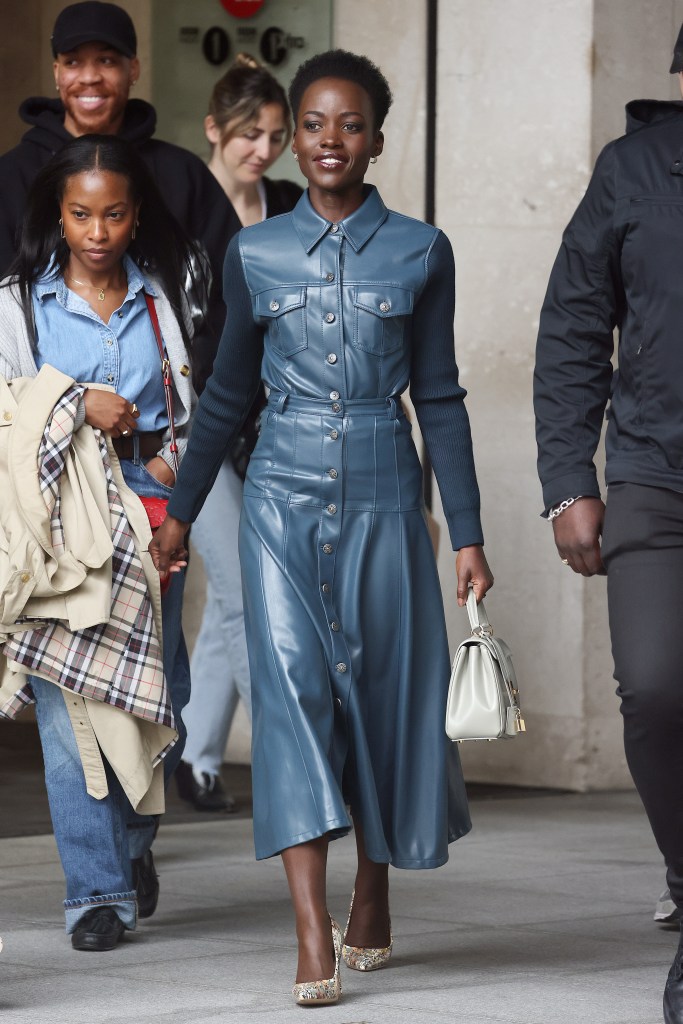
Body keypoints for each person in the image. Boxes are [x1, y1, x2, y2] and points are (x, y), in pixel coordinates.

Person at [151, 49, 493, 1006]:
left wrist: (464, 531)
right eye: (312, 123)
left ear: (377, 139)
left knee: (380, 707)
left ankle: (372, 886)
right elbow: (224, 394)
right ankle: (309, 931)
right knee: (293, 702)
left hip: (389, 500)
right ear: (293, 136)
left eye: (349, 124)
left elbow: (441, 396)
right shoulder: (253, 253)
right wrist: (179, 517)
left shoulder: (422, 250)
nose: (329, 139)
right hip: (278, 506)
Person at [0, 133, 204, 950]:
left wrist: (167, 465)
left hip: (152, 509)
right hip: (63, 520)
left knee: (161, 696)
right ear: (57, 213)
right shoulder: (19, 303)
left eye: (113, 214)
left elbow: (193, 410)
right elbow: (5, 409)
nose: (96, 231)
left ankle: (130, 844)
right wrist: (76, 403)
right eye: (80, 214)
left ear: (136, 214)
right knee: (67, 710)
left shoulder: (160, 298)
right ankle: (96, 894)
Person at [534, 24, 683, 1024]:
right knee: (657, 688)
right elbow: (574, 323)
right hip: (651, 475)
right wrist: (564, 477)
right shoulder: (632, 169)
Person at [175, 54, 302, 813]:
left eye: (276, 134)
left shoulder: (287, 204)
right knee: (244, 588)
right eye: (249, 134)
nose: (263, 150)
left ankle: (195, 757)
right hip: (198, 423)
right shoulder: (181, 207)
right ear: (214, 130)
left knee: (242, 583)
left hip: (273, 421)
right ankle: (293, 763)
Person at [0, 0, 239, 357]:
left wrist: (202, 384)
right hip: (43, 398)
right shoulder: (12, 175)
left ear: (134, 69)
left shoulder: (181, 173)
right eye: (73, 62)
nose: (90, 76)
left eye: (107, 60)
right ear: (56, 72)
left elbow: (230, 294)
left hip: (170, 399)